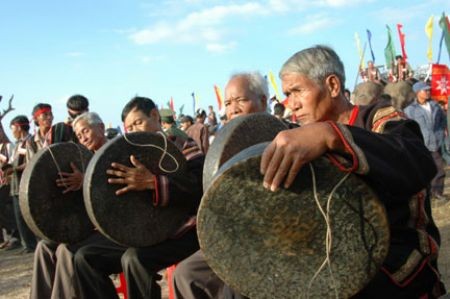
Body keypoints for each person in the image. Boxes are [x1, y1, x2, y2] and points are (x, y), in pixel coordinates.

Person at [259, 45, 444, 297]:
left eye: (297, 91)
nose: (292, 105)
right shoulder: (301, 138)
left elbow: (417, 161)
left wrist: (331, 135)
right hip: (339, 263)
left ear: (333, 86)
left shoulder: (378, 118)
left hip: (398, 263)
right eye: (287, 95)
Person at [73, 96, 204, 299]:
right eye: (130, 128)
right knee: (85, 257)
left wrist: (153, 183)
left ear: (154, 115)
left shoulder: (181, 145)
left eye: (138, 122)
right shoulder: (125, 156)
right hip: (141, 232)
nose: (135, 131)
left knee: (135, 259)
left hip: (182, 229)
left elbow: (197, 190)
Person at [173, 71, 270, 299]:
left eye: (241, 100)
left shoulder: (285, 136)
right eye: (227, 103)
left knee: (232, 288)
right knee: (186, 273)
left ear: (263, 101)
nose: (233, 108)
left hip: (271, 237)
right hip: (232, 235)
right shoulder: (223, 144)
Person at [30, 112, 107, 299]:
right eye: (79, 136)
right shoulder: (83, 158)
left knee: (66, 249)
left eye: (86, 131)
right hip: (90, 226)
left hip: (110, 228)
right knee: (45, 246)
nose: (83, 138)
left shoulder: (117, 150)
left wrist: (85, 181)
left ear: (101, 128)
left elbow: (117, 192)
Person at [404, 82, 448, 203]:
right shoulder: (409, 110)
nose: (428, 92)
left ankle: (437, 192)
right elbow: (407, 127)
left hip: (436, 143)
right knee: (424, 170)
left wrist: (441, 135)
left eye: (429, 90)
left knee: (439, 169)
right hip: (420, 144)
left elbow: (443, 121)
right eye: (425, 90)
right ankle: (427, 193)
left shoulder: (435, 106)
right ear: (418, 93)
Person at [6, 115, 38, 253]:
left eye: (12, 128)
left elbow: (32, 161)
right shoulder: (18, 144)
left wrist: (14, 169)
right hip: (15, 185)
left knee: (26, 217)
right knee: (19, 218)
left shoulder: (30, 141)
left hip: (24, 186)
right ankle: (27, 245)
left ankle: (31, 245)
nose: (12, 132)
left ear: (19, 127)